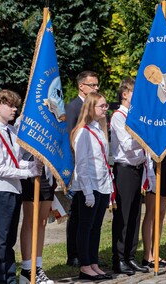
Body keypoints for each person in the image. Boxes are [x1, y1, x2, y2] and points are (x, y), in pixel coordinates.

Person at [0, 89, 42, 283]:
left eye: (16, 106)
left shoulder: (11, 131)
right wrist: (28, 172)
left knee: (9, 239)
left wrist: (34, 165)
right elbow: (1, 169)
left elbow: (16, 161)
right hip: (0, 190)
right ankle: (1, 279)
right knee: (1, 239)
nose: (15, 109)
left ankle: (9, 278)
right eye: (11, 105)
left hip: (13, 189)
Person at [70, 92, 113, 281]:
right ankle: (85, 265)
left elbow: (102, 160)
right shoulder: (83, 132)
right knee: (85, 227)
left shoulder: (98, 129)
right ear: (91, 108)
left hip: (101, 185)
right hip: (89, 186)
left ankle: (93, 262)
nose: (105, 109)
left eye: (106, 106)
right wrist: (88, 192)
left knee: (96, 227)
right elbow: (83, 164)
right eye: (102, 106)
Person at [111, 78, 149, 275]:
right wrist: (143, 139)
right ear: (125, 94)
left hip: (137, 168)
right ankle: (118, 258)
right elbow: (126, 144)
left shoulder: (137, 117)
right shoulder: (119, 116)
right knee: (123, 216)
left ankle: (130, 256)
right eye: (135, 92)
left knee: (135, 214)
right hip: (124, 169)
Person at [65, 70, 99, 267]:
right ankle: (74, 254)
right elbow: (70, 137)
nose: (95, 88)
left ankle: (86, 253)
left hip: (91, 168)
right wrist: (70, 171)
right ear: (81, 86)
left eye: (97, 85)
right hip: (77, 168)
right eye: (92, 85)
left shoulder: (93, 106)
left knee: (86, 215)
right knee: (76, 213)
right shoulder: (73, 107)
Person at [19, 156, 56, 284]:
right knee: (30, 220)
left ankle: (38, 267)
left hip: (47, 169)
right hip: (30, 167)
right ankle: (27, 268)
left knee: (42, 221)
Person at [141, 147, 166, 268]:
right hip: (152, 163)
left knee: (161, 213)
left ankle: (156, 252)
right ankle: (147, 255)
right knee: (151, 212)